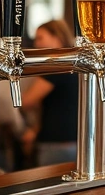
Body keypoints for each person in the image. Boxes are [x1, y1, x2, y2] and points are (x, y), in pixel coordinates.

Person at [21, 20, 80, 165]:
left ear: (57, 38)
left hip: (57, 145)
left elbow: (27, 101)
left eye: (40, 38)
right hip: (75, 141)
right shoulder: (73, 62)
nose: (36, 44)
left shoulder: (57, 65)